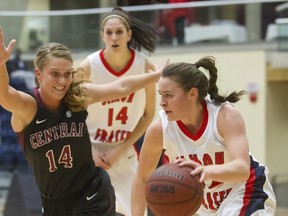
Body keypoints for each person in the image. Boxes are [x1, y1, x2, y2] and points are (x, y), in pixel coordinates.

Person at [0, 26, 166, 216]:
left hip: (92, 193)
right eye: (55, 73)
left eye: (68, 73)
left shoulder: (77, 96)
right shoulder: (29, 107)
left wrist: (155, 75)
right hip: (54, 202)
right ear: (38, 74)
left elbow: (121, 86)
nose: (62, 81)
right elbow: (4, 95)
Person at [131, 57, 277, 216]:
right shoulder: (159, 129)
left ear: (192, 93)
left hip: (246, 189)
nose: (162, 102)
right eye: (161, 94)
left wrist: (206, 171)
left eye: (168, 95)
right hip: (205, 205)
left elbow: (242, 168)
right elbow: (142, 178)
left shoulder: (225, 116)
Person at [78, 6, 164, 216]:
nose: (114, 37)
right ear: (102, 36)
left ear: (129, 34)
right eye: (109, 32)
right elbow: (69, 115)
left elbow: (147, 114)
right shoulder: (88, 67)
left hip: (123, 153)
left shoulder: (144, 67)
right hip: (89, 153)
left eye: (119, 32)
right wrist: (90, 150)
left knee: (137, 213)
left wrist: (120, 149)